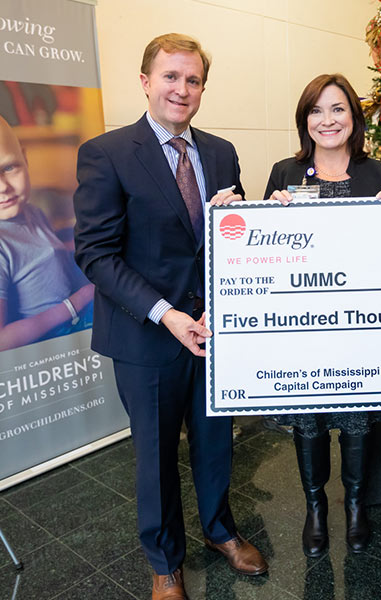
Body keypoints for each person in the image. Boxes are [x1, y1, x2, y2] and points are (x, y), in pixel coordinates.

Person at [73, 34, 267, 600]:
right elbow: (96, 254)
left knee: (215, 441)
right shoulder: (106, 153)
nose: (182, 89)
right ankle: (164, 561)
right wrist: (166, 315)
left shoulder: (221, 152)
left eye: (193, 80)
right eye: (171, 77)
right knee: (155, 457)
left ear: (202, 89)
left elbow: (236, 241)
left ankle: (219, 530)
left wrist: (249, 219)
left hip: (213, 330)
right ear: (145, 82)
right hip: (146, 335)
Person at [265, 73, 381, 558]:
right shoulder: (284, 173)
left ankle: (357, 506)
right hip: (304, 328)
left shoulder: (380, 175)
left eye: (338, 109)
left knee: (358, 418)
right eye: (317, 111)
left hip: (361, 328)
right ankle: (316, 507)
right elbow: (267, 256)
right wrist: (268, 213)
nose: (328, 120)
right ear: (305, 120)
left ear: (354, 117)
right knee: (310, 418)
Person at [0, 115, 94, 351]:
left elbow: (43, 256)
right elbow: (2, 342)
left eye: (9, 167)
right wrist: (76, 303)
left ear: (25, 158)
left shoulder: (32, 212)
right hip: (51, 348)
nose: (3, 187)